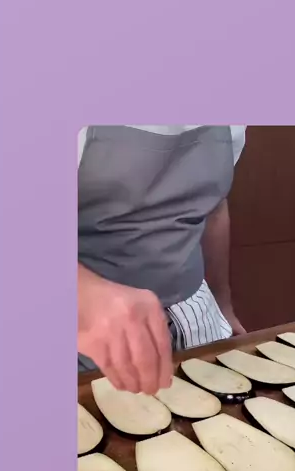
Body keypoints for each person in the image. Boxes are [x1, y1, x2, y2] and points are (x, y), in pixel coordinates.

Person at [78, 124, 247, 396]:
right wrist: (87, 294)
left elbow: (214, 208)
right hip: (94, 333)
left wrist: (223, 304)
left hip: (197, 318)